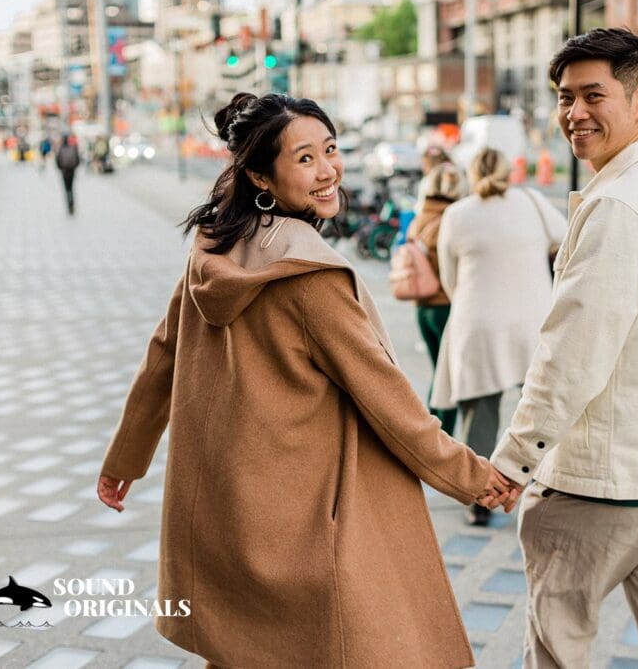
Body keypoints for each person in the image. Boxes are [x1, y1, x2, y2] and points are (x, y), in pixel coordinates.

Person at [96, 92, 517, 668]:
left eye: (331, 150)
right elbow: (389, 403)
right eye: (304, 159)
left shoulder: (216, 246)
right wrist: (474, 479)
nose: (328, 171)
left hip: (229, 508)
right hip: (310, 513)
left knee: (242, 650)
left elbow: (163, 353)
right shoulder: (312, 279)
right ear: (258, 176)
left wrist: (125, 458)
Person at [489, 28, 638, 668]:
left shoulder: (621, 204)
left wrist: (515, 461)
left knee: (558, 645)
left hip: (608, 481)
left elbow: (572, 353)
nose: (575, 113)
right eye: (565, 97)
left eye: (593, 95)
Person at [431, 147, 566, 527]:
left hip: (478, 324)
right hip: (533, 322)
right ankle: (552, 491)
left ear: (472, 175)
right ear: (510, 171)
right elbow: (568, 239)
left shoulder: (456, 215)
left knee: (480, 415)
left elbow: (449, 278)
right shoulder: (532, 201)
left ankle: (480, 500)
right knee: (543, 410)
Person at [406, 161, 467, 437]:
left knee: (437, 374)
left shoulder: (420, 217)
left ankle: (428, 435)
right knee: (451, 380)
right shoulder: (454, 219)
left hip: (423, 308)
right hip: (445, 306)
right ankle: (441, 441)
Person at [55, 133, 81, 214]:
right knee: (71, 187)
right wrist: (74, 167)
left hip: (64, 171)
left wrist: (61, 168)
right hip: (72, 171)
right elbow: (77, 160)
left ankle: (69, 203)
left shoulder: (61, 149)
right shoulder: (73, 148)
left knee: (67, 188)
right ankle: (72, 202)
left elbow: (58, 160)